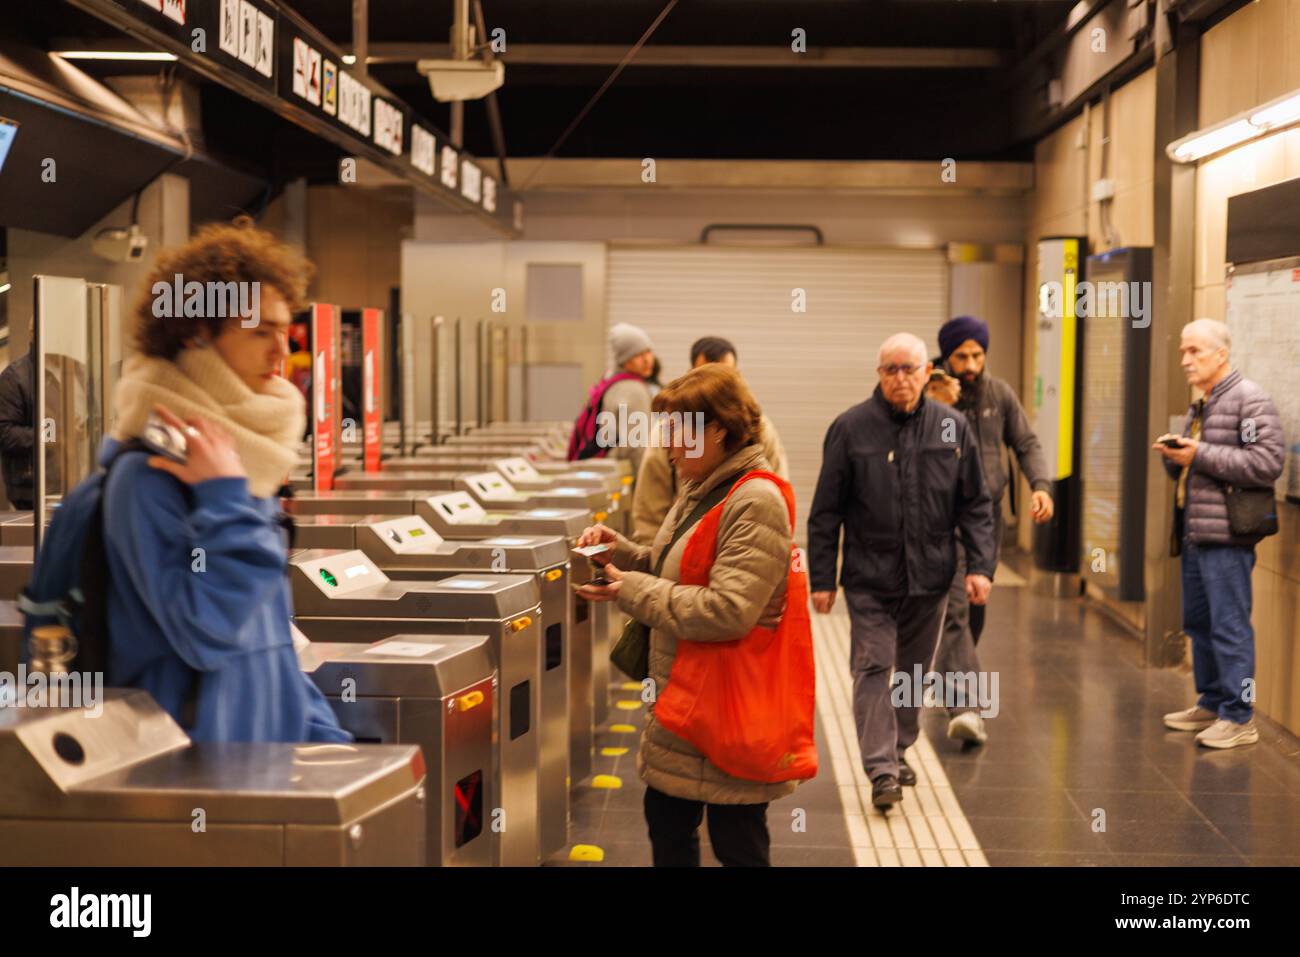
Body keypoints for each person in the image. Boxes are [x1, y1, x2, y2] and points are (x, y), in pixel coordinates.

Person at [102, 217, 350, 743]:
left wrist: (324, 741)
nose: (281, 353)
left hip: (261, 768)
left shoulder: (238, 466)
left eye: (285, 331)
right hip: (200, 782)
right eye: (260, 332)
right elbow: (207, 634)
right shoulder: (148, 476)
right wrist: (226, 499)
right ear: (196, 332)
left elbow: (269, 642)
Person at [575, 364, 796, 866]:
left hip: (728, 707)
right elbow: (678, 567)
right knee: (668, 827)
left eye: (678, 431)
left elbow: (729, 610)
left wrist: (630, 589)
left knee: (737, 840)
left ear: (719, 430)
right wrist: (624, 552)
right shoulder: (698, 485)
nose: (667, 446)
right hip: (683, 702)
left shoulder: (755, 500)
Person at [808, 332, 995, 810]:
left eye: (908, 369)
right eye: (890, 369)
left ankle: (898, 747)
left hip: (931, 578)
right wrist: (823, 579)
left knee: (913, 672)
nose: (899, 379)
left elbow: (974, 503)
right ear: (878, 375)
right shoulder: (850, 429)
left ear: (926, 374)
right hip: (869, 579)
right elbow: (826, 510)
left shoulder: (952, 427)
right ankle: (881, 769)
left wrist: (980, 566)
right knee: (872, 665)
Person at [924, 315, 1053, 746]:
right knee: (958, 607)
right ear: (946, 356)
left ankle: (945, 680)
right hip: (941, 520)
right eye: (961, 356)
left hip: (986, 520)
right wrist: (938, 404)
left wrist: (1041, 486)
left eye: (978, 354)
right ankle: (965, 708)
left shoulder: (999, 394)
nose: (971, 364)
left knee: (974, 608)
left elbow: (1026, 443)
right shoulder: (928, 394)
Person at [1156, 318, 1284, 750]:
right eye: (1182, 352)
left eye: (1194, 352)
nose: (1185, 360)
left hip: (1228, 537)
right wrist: (1175, 456)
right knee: (1198, 622)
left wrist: (1200, 453)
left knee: (1230, 626)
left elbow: (1267, 463)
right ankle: (1212, 701)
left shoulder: (1249, 401)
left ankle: (1239, 715)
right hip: (1196, 532)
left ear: (1221, 355)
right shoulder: (1202, 404)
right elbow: (1197, 465)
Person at [631, 336, 789, 544]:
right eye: (706, 376)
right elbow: (648, 512)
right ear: (692, 376)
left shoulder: (759, 429)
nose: (717, 386)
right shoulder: (668, 429)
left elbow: (778, 491)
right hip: (679, 550)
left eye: (727, 375)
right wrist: (650, 561)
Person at [571, 322, 655, 473]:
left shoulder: (611, 383)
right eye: (638, 355)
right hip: (625, 477)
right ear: (624, 360)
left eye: (648, 352)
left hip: (606, 470)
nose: (647, 359)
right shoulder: (633, 389)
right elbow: (637, 447)